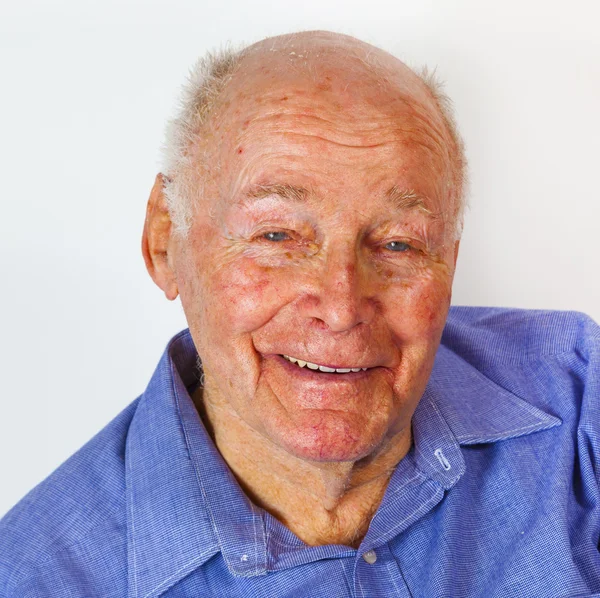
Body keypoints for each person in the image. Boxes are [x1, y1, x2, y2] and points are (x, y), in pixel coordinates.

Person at [1, 30, 599, 598]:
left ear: (449, 259)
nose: (340, 309)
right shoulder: (40, 577)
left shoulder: (576, 396)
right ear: (165, 243)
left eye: (398, 244)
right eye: (279, 235)